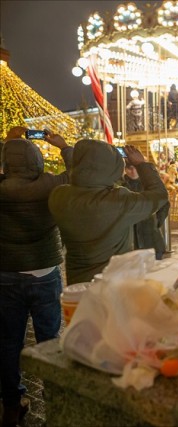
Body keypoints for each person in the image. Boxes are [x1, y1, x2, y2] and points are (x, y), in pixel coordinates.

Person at [0, 127, 73, 426]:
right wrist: (63, 145)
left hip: (6, 272)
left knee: (7, 342)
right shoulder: (50, 185)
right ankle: (54, 400)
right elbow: (79, 172)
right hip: (44, 271)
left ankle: (13, 404)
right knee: (49, 339)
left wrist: (9, 142)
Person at [49, 142, 169, 284]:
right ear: (115, 167)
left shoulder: (59, 196)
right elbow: (159, 195)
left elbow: (79, 174)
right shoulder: (118, 201)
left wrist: (66, 149)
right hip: (113, 283)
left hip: (78, 281)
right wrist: (141, 164)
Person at [122, 164, 169, 260]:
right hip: (130, 241)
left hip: (151, 238)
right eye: (130, 168)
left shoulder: (149, 184)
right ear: (125, 169)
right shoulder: (121, 186)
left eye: (136, 168)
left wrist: (157, 221)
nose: (133, 171)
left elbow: (164, 204)